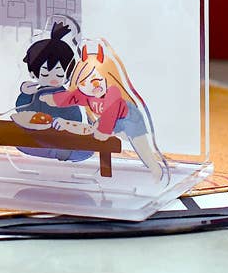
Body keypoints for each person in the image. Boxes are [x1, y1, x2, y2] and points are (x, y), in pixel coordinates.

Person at [41, 44, 163, 179]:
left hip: (129, 118)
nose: (95, 85)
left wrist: (103, 130)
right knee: (94, 129)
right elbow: (72, 97)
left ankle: (154, 168)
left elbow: (111, 111)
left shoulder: (113, 92)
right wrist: (53, 99)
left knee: (141, 146)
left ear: (107, 77)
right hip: (111, 122)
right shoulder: (86, 95)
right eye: (86, 82)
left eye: (98, 79)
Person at [16, 21, 92, 162]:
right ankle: (56, 152)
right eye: (45, 73)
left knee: (87, 150)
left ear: (68, 75)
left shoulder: (66, 97)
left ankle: (57, 151)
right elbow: (21, 111)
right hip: (36, 136)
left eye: (59, 74)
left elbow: (75, 120)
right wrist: (25, 94)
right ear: (32, 73)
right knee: (18, 138)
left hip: (62, 138)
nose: (52, 78)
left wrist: (64, 123)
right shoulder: (34, 93)